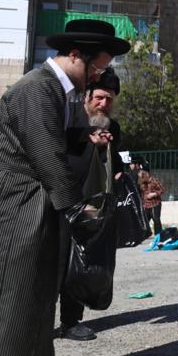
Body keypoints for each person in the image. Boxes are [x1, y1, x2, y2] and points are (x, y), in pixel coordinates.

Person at [0, 19, 129, 356]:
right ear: (74, 55)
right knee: (8, 299)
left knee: (22, 299)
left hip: (24, 201)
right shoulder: (39, 88)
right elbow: (47, 154)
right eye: (96, 68)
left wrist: (82, 136)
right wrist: (78, 211)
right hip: (11, 204)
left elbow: (52, 139)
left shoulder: (58, 92)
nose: (97, 77)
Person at [56, 67, 126, 342]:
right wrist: (88, 137)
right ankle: (38, 324)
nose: (103, 103)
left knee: (81, 263)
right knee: (53, 262)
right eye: (99, 97)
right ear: (87, 97)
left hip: (91, 205)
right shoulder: (70, 118)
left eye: (109, 99)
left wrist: (116, 166)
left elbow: (113, 162)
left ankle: (70, 322)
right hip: (60, 200)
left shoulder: (112, 127)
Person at [138, 169, 165, 236]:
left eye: (142, 177)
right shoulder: (141, 182)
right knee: (145, 220)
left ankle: (158, 235)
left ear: (146, 175)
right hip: (146, 204)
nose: (141, 180)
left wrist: (154, 194)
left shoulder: (154, 181)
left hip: (155, 204)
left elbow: (162, 190)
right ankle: (143, 235)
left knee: (156, 220)